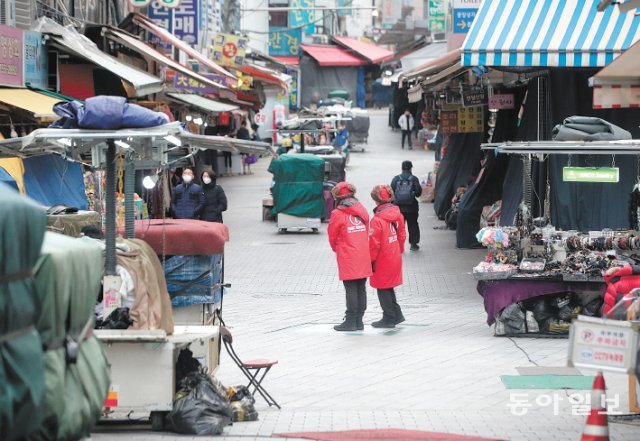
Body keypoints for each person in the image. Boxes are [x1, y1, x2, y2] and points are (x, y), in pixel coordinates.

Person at [328, 182, 371, 332]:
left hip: (348, 254)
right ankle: (359, 321)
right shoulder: (362, 209)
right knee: (361, 287)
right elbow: (367, 229)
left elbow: (332, 236)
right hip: (363, 253)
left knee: (351, 288)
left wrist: (337, 248)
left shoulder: (337, 213)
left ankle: (351, 321)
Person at [369, 184, 406, 328]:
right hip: (394, 254)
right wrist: (399, 250)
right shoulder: (399, 215)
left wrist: (370, 260)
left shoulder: (377, 220)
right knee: (388, 286)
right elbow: (402, 235)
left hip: (382, 258)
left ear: (375, 199)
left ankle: (389, 317)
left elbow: (374, 244)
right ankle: (396, 314)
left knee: (382, 287)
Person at [391, 160, 422, 251]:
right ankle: (413, 244)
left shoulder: (396, 178)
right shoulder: (414, 178)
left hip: (398, 208)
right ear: (411, 168)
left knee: (399, 226)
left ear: (402, 168)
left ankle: (397, 245)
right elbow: (418, 193)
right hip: (412, 208)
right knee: (413, 225)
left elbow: (391, 192)